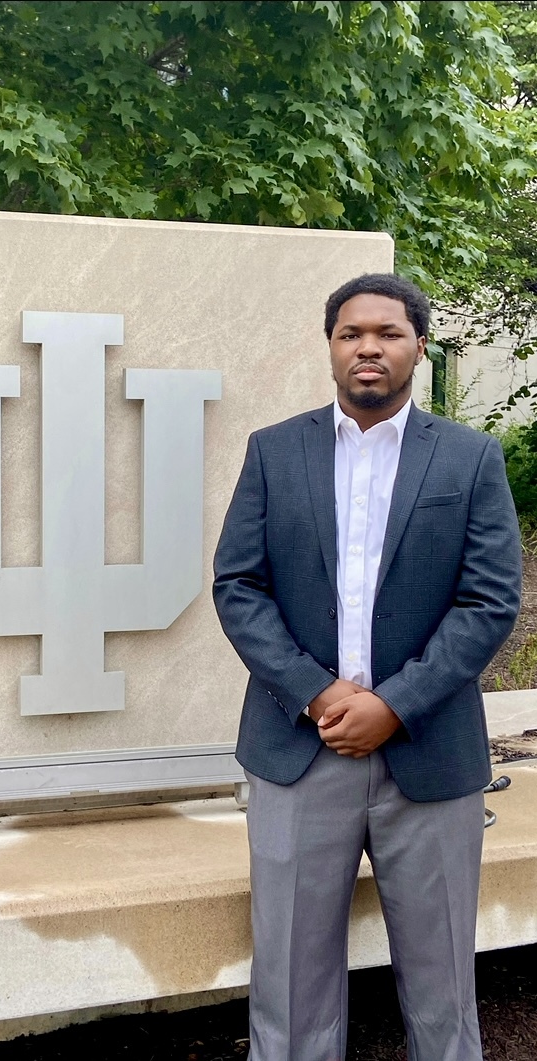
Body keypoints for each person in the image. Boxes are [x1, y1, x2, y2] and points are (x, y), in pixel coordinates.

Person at [212, 273, 522, 1061]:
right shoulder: (274, 452)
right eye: (351, 334)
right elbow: (237, 585)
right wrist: (317, 692)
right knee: (288, 986)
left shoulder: (469, 458)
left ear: (420, 344)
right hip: (299, 750)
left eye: (388, 332)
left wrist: (395, 703)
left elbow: (489, 601)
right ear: (331, 347)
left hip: (429, 754)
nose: (368, 348)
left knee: (443, 988)